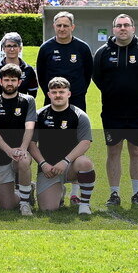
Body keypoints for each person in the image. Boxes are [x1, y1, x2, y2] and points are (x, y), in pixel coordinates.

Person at [92, 13, 138, 208]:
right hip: (111, 113)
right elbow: (97, 78)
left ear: (133, 28)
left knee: (137, 151)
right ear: (113, 29)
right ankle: (114, 194)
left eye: (126, 25)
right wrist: (112, 92)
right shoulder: (102, 52)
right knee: (113, 151)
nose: (122, 28)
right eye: (119, 25)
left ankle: (137, 193)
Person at [29, 78, 97, 215]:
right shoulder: (39, 115)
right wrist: (43, 164)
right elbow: (31, 143)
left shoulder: (80, 115)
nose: (58, 95)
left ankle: (84, 205)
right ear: (48, 95)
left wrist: (65, 161)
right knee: (48, 209)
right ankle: (57, 191)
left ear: (69, 94)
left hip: (70, 166)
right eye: (54, 92)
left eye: (61, 91)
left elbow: (85, 142)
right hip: (48, 169)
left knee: (85, 163)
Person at [0, 64, 37, 216]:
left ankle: (25, 203)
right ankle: (27, 190)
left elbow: (29, 127)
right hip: (1, 156)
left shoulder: (28, 101)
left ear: (19, 82)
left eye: (13, 80)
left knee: (24, 160)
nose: (9, 83)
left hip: (20, 152)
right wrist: (8, 150)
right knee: (6, 206)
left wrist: (22, 148)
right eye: (6, 80)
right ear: (0, 82)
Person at [36, 11, 93, 111]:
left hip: (76, 98)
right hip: (53, 98)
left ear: (72, 27)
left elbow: (88, 73)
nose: (62, 29)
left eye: (65, 26)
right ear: (54, 26)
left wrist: (79, 90)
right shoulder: (45, 48)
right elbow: (41, 75)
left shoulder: (83, 48)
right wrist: (51, 92)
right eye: (59, 25)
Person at [0, 32, 39, 99]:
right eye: (9, 46)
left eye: (15, 46)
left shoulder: (28, 70)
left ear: (20, 48)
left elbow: (32, 95)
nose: (12, 49)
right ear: (3, 48)